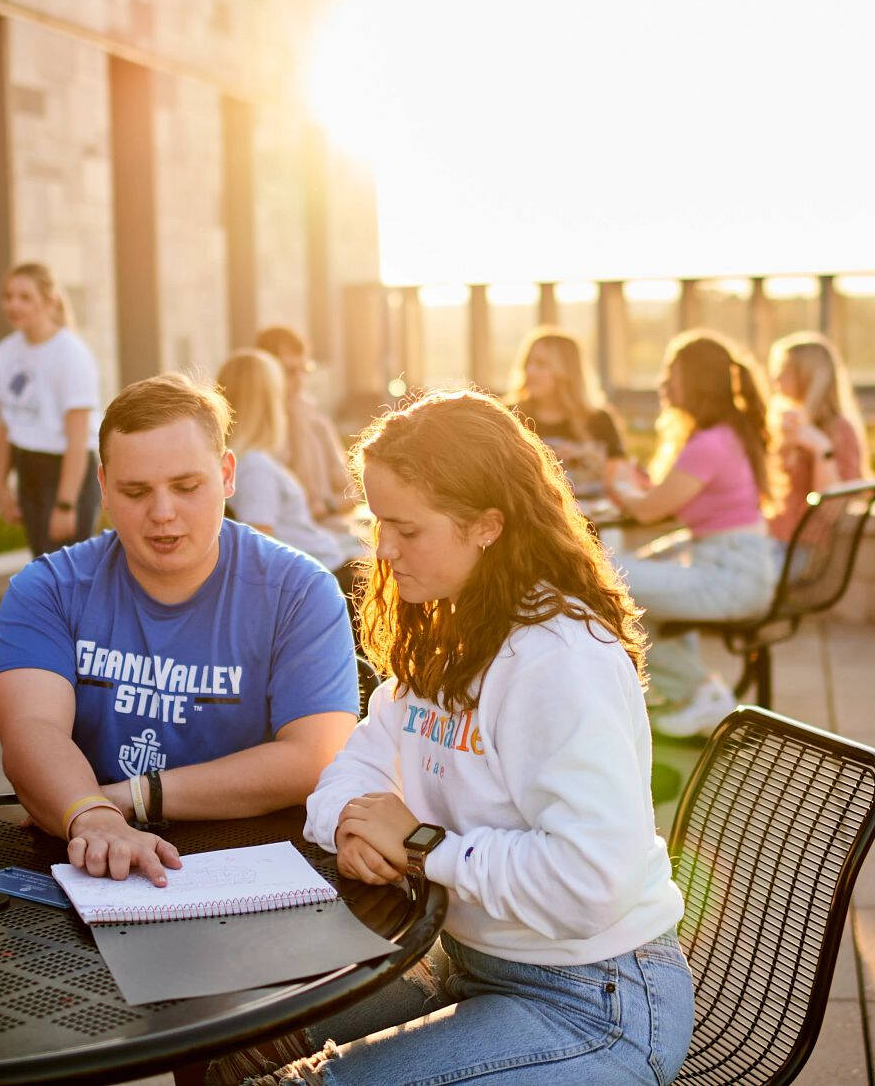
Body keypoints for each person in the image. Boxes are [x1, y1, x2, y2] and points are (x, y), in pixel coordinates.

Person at [220, 390, 692, 1085]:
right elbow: (349, 772)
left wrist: (419, 843)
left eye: (407, 529)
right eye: (378, 522)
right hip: (464, 969)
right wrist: (355, 829)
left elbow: (595, 878)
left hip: (597, 1005)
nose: (383, 548)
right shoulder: (450, 629)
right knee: (239, 1035)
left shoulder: (557, 659)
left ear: (487, 526)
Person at [0, 372, 360, 883]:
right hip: (97, 857)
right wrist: (94, 817)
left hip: (259, 862)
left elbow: (315, 755)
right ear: (102, 486)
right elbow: (31, 731)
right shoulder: (47, 587)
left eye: (187, 487)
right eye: (136, 491)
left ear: (228, 475)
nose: (162, 513)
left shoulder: (299, 590)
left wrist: (127, 798)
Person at [606, 330, 780, 739]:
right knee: (629, 580)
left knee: (608, 580)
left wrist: (613, 484)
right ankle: (687, 692)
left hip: (730, 576)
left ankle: (700, 692)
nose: (663, 382)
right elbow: (667, 501)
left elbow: (649, 509)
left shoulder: (709, 442)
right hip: (736, 565)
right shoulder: (729, 433)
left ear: (696, 381)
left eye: (672, 372)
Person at [217, 349, 366, 581]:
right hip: (324, 577)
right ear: (269, 401)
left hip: (329, 564)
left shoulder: (250, 460)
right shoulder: (255, 467)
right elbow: (258, 554)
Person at [0, 261, 103, 556]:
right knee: (41, 567)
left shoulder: (71, 354)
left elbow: (78, 440)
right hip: (28, 468)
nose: (13, 304)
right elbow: (4, 423)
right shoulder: (6, 351)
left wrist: (65, 504)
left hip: (66, 474)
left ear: (49, 301)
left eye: (25, 297)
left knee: (66, 576)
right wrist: (0, 486)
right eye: (8, 295)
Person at [767, 331, 869, 543]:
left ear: (807, 376)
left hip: (800, 548)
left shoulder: (839, 431)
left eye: (784, 371)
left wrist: (821, 450)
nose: (776, 378)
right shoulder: (787, 425)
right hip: (770, 540)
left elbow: (833, 509)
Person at [507, 328, 629, 497]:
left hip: (594, 519)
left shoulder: (600, 420)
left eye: (541, 364)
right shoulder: (509, 417)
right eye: (528, 363)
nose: (530, 371)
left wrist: (582, 457)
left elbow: (618, 482)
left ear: (566, 372)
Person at [254, 324, 356, 523]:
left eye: (304, 369)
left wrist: (326, 506)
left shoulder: (318, 423)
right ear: (268, 372)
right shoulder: (256, 433)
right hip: (299, 545)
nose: (300, 380)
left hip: (337, 540)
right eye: (290, 371)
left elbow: (352, 495)